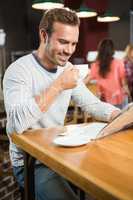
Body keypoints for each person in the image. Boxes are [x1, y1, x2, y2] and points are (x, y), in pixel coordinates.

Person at [3, 8, 120, 200]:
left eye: (73, 43)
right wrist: (58, 86)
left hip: (60, 153)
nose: (69, 50)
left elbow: (92, 105)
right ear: (43, 35)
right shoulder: (18, 71)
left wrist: (120, 116)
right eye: (63, 42)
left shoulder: (67, 69)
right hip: (30, 163)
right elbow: (17, 125)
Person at [84, 38, 129, 109]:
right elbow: (124, 83)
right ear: (112, 50)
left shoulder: (95, 65)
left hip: (104, 100)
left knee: (107, 119)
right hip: (118, 98)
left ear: (100, 50)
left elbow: (85, 81)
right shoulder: (119, 62)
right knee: (121, 119)